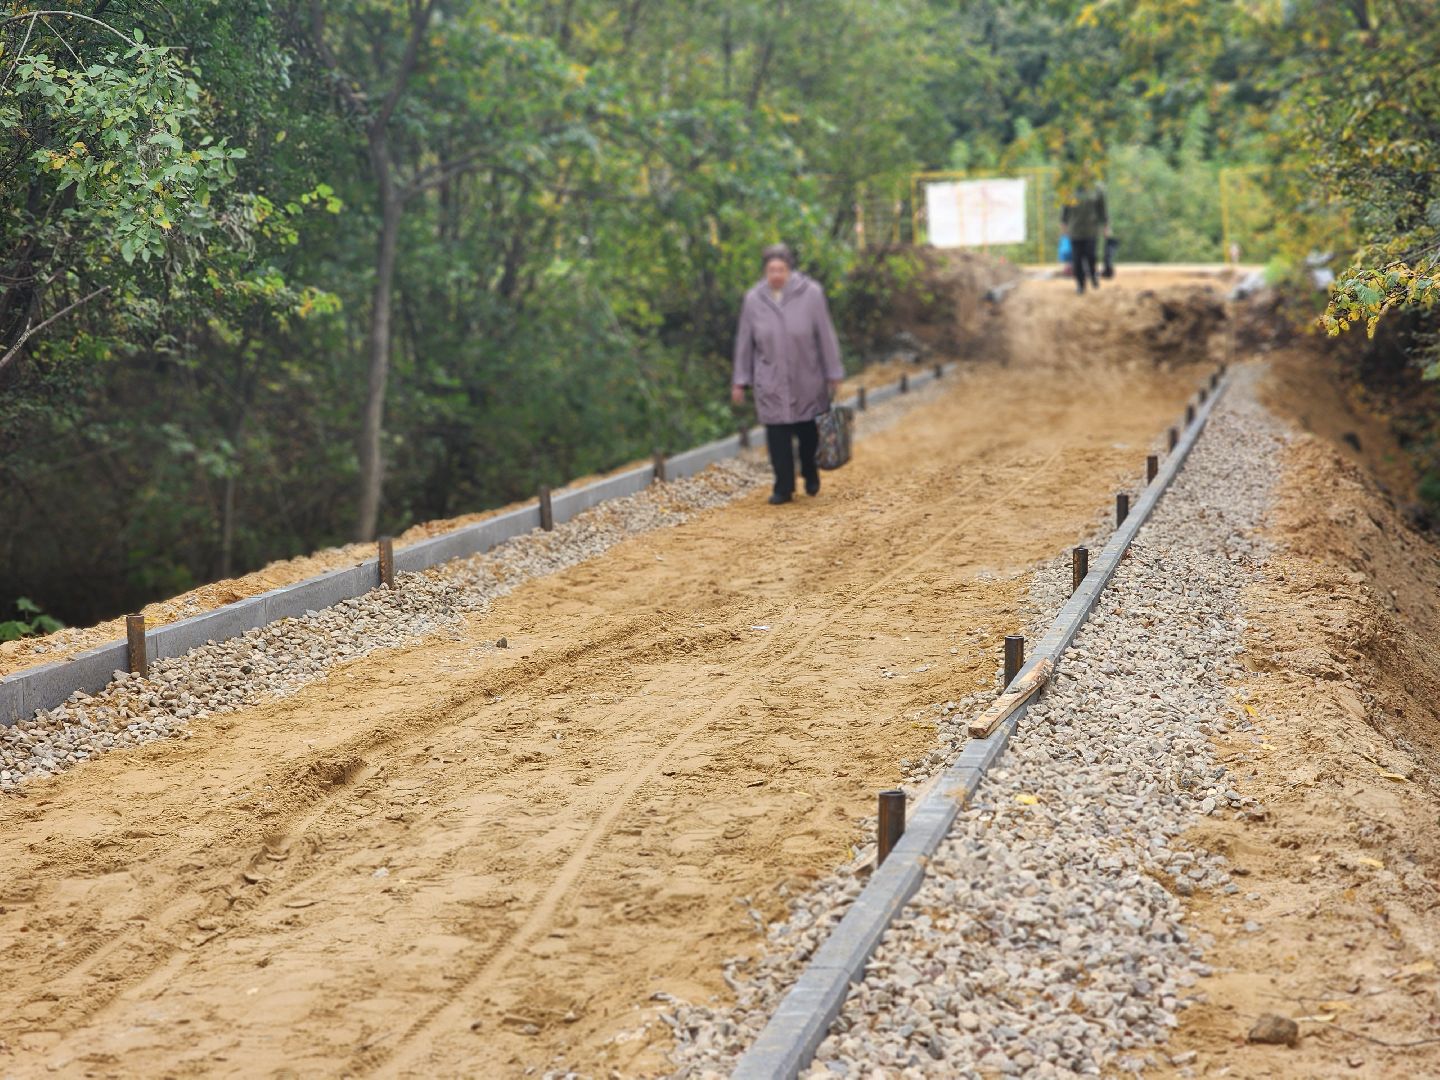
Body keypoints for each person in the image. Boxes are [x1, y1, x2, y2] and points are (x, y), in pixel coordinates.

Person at [731, 243, 844, 505]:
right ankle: (783, 487)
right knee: (777, 436)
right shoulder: (753, 300)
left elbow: (826, 336)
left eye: (781, 269)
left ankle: (810, 471)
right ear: (765, 272)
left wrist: (833, 372)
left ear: (789, 270)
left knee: (808, 433)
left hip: (807, 377)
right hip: (770, 379)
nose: (776, 275)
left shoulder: (812, 294)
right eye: (771, 270)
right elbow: (745, 343)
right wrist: (740, 380)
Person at [1061, 178, 1110, 294]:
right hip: (1075, 230)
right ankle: (1080, 284)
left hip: (1091, 230)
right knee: (1077, 260)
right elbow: (1064, 211)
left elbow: (1102, 209)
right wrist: (1063, 227)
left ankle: (1093, 276)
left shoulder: (1097, 189)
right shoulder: (1069, 189)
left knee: (1091, 256)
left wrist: (1106, 226)